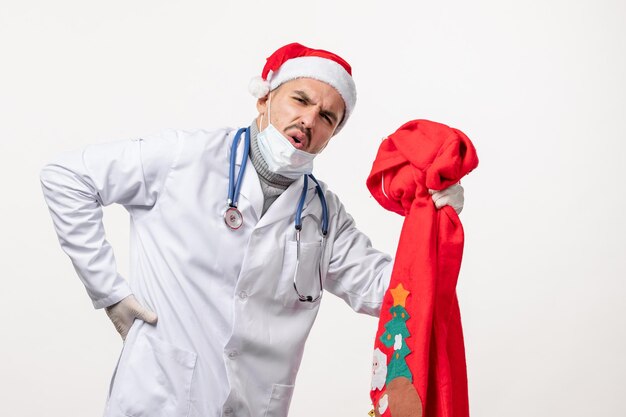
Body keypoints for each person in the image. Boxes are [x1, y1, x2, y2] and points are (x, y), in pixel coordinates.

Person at [39, 43, 465, 417]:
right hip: (160, 398)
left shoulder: (324, 215)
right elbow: (66, 177)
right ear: (263, 99)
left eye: (327, 117)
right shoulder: (184, 159)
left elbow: (396, 294)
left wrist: (432, 219)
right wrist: (109, 292)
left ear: (331, 136)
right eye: (300, 100)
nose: (309, 120)